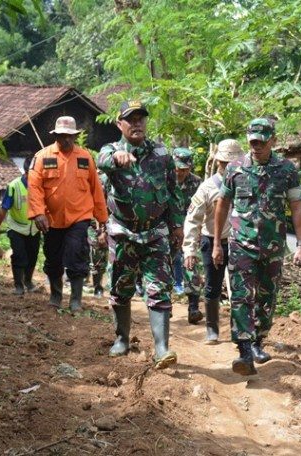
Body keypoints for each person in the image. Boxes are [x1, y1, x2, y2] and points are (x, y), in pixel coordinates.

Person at [213, 118, 301, 376]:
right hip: (241, 245)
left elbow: (297, 207)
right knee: (242, 296)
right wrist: (216, 243)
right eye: (252, 142)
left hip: (273, 247)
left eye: (262, 142)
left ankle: (257, 341)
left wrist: (300, 245)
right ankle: (244, 351)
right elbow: (221, 205)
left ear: (273, 141)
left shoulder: (286, 170)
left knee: (267, 297)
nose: (256, 147)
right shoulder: (235, 169)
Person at [97, 100, 185, 370]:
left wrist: (177, 225)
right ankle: (122, 339)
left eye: (141, 118)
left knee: (159, 289)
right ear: (119, 124)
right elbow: (100, 163)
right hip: (123, 232)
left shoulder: (161, 153)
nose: (136, 123)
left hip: (155, 233)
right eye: (130, 119)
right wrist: (116, 160)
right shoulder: (111, 150)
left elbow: (173, 192)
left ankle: (161, 348)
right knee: (120, 288)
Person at [27, 116, 108, 312]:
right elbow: (34, 188)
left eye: (70, 136)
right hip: (51, 219)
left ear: (76, 136)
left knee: (76, 254)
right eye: (62, 136)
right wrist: (38, 213)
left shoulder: (85, 157)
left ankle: (76, 300)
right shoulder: (42, 157)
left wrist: (102, 219)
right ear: (56, 135)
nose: (66, 140)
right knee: (53, 257)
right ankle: (56, 296)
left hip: (79, 217)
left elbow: (96, 189)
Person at [182, 139, 245, 343]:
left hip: (240, 242)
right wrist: (189, 249)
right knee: (212, 286)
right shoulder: (208, 188)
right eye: (226, 163)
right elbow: (192, 220)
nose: (229, 167)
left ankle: (240, 331)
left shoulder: (245, 184)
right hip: (213, 242)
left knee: (241, 288)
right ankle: (212, 329)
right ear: (219, 163)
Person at [0, 156, 41, 296]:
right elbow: (3, 211)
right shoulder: (14, 186)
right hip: (17, 228)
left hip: (34, 229)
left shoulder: (41, 186)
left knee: (33, 256)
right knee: (19, 256)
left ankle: (29, 282)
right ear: (26, 172)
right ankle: (18, 285)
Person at [171, 147, 203, 324]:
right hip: (168, 230)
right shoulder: (165, 180)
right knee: (164, 267)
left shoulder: (197, 183)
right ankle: (164, 306)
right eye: (178, 168)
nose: (181, 172)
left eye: (185, 169)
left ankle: (193, 308)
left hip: (190, 231)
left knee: (191, 265)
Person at [88, 172, 109, 298]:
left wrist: (102, 229)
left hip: (100, 223)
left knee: (98, 253)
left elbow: (102, 205)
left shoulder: (105, 181)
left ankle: (98, 287)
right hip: (85, 220)